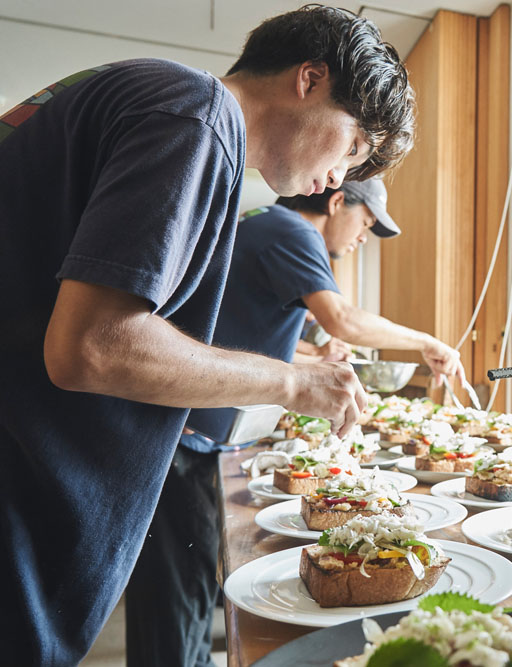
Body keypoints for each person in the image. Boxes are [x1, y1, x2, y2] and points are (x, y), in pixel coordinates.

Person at [0, 6, 414, 664]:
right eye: (354, 147)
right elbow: (92, 345)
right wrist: (289, 380)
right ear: (309, 79)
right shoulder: (197, 114)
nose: (340, 178)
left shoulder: (163, 103)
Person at [125, 180, 463, 667]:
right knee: (176, 601)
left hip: (183, 432)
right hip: (183, 436)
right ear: (336, 201)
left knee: (187, 588)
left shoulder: (264, 223)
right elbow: (342, 318)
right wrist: (428, 341)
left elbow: (242, 329)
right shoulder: (294, 232)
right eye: (366, 223)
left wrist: (313, 353)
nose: (362, 238)